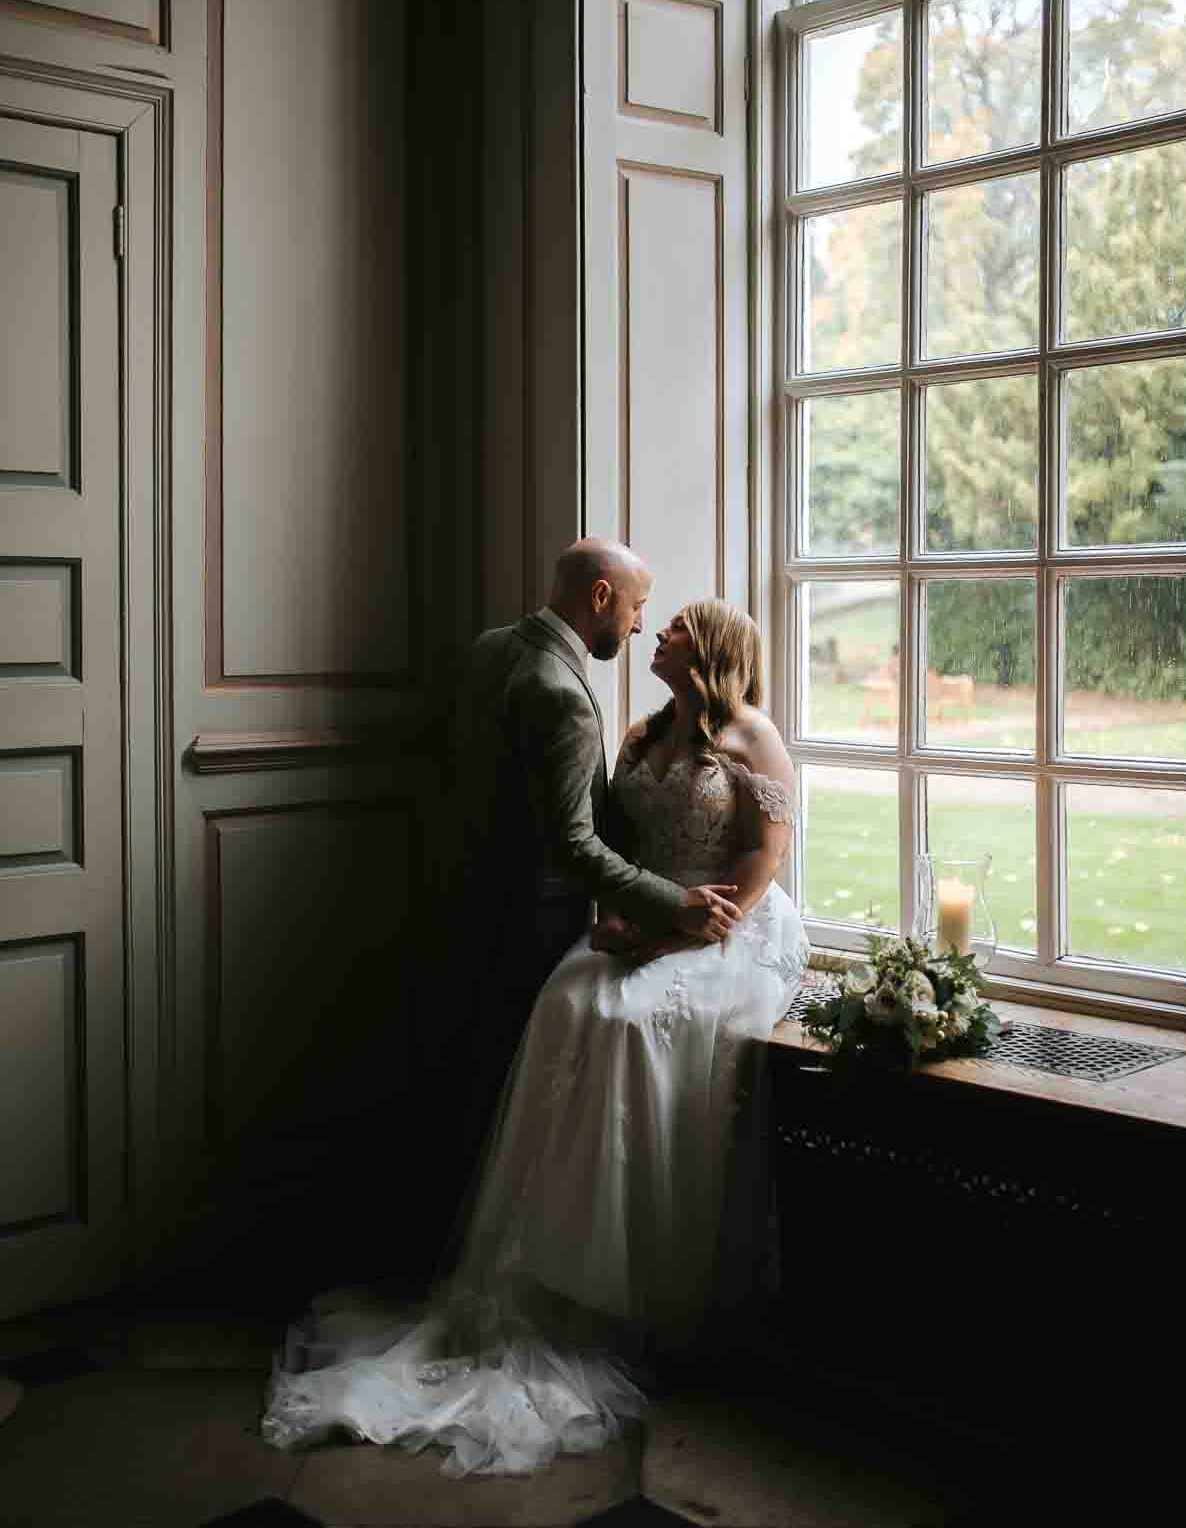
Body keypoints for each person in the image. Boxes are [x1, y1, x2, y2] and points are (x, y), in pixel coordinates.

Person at [261, 593, 810, 1475]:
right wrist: (621, 918)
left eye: (671, 627)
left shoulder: (752, 738)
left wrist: (666, 932)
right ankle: (546, 1277)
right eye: (650, 617)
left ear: (708, 649)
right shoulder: (637, 733)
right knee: (574, 1000)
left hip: (727, 929)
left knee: (630, 1022)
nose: (652, 632)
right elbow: (604, 841)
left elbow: (757, 868)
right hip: (646, 917)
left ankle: (641, 1295)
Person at [450, 538, 743, 1163]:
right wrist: (675, 902)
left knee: (481, 1088)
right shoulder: (562, 692)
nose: (640, 625)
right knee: (519, 1101)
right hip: (532, 922)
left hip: (465, 898)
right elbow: (572, 844)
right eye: (636, 607)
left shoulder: (489, 648)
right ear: (601, 596)